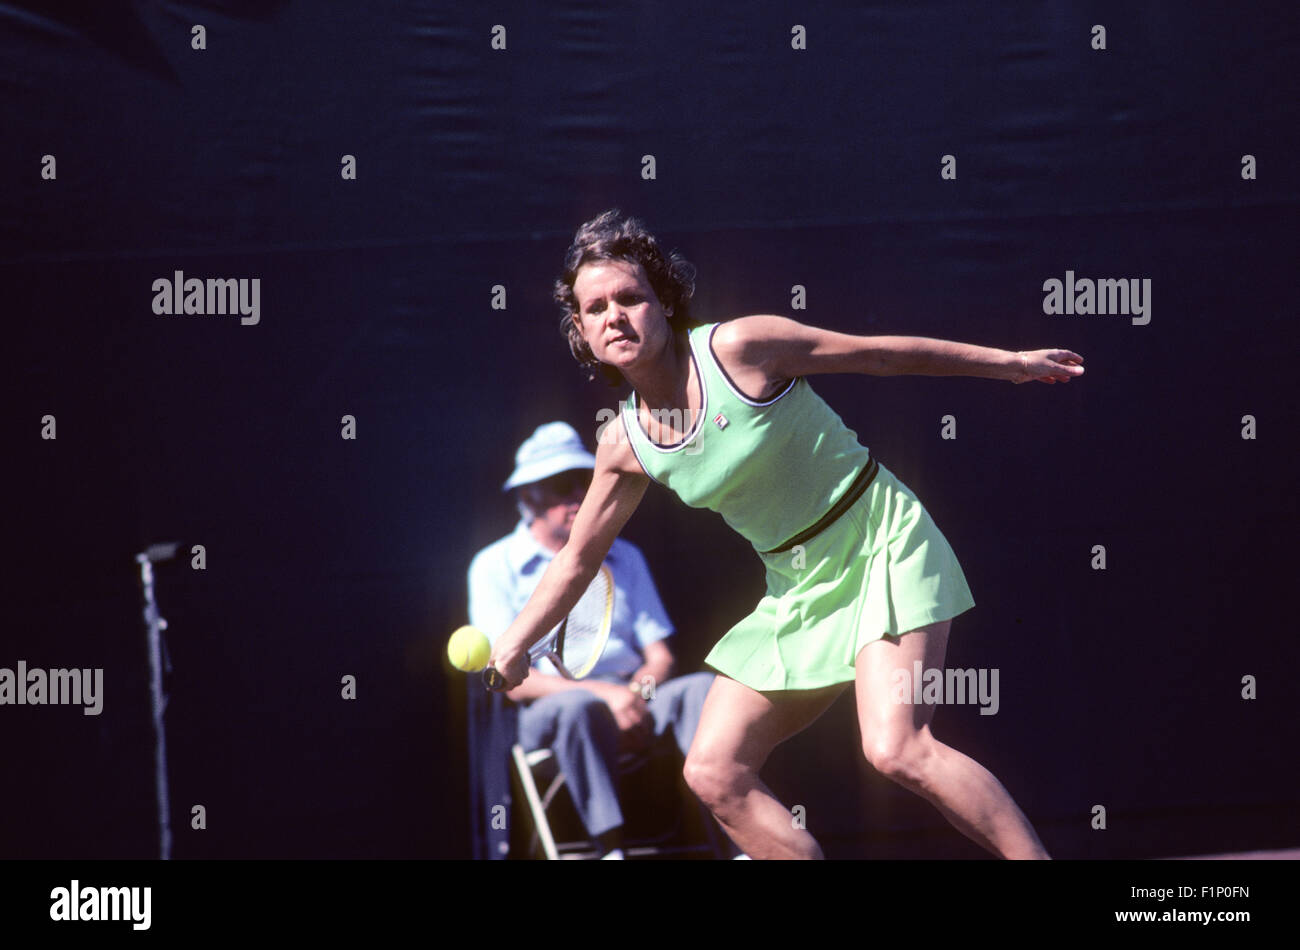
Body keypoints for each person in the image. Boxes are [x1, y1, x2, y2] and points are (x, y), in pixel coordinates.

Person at [487, 210, 1084, 860]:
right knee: (713, 770)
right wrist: (513, 645)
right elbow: (576, 560)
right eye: (595, 308)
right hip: (796, 586)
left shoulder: (740, 348)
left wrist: (1010, 363)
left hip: (880, 540)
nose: (615, 316)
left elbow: (879, 354)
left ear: (664, 303)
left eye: (630, 297)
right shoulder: (623, 444)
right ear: (582, 331)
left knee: (897, 750)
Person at [468, 421, 714, 859]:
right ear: (528, 498)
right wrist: (605, 696)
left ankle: (735, 842)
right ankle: (610, 850)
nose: (577, 496)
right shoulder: (491, 567)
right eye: (561, 485)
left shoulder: (627, 556)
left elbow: (658, 654)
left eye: (583, 480)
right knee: (582, 707)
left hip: (633, 701)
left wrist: (637, 695)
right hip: (550, 711)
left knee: (703, 690)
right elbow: (508, 679)